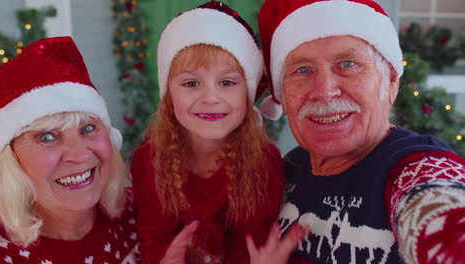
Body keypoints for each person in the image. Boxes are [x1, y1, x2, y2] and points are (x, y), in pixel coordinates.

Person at [254, 0, 465, 263]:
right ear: (283, 97)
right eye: (303, 70)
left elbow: (443, 215)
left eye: (348, 64)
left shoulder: (416, 167)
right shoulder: (285, 170)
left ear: (390, 83)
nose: (324, 91)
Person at [129, 1, 291, 263]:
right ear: (169, 95)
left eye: (227, 82)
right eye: (191, 83)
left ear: (247, 93)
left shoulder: (265, 162)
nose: (210, 97)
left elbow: (250, 246)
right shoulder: (149, 161)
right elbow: (156, 241)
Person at [0, 36, 140, 263]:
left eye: (88, 128)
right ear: (10, 158)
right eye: (47, 137)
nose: (80, 154)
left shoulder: (144, 214)